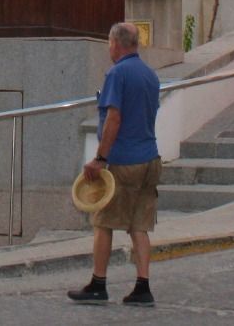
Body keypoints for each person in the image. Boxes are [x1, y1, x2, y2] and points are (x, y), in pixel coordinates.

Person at [68, 21, 161, 307]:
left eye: (109, 43)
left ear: (116, 44)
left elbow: (114, 118)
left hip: (122, 162)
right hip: (150, 159)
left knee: (103, 222)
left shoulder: (117, 74)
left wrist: (100, 159)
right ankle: (143, 287)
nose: (109, 48)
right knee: (139, 225)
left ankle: (98, 284)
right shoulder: (150, 75)